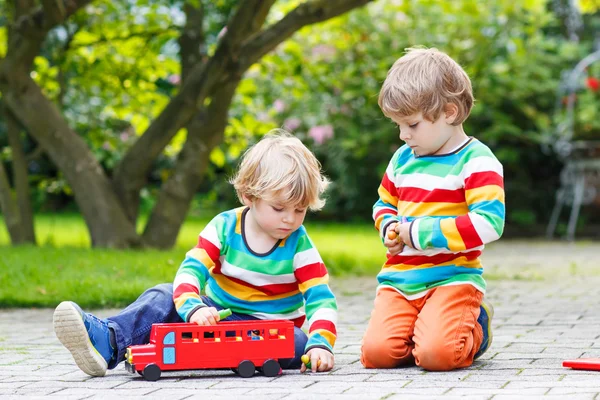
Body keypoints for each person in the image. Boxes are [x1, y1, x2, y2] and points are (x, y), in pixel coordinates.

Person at [53, 129, 338, 376]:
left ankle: (265, 351)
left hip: (269, 331)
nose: (290, 219)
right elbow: (191, 270)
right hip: (216, 316)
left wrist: (320, 343)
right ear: (249, 196)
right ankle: (109, 340)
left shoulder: (299, 244)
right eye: (279, 208)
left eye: (299, 210)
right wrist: (195, 307)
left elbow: (320, 297)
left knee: (299, 341)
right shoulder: (225, 228)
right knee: (163, 296)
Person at [360, 47, 505, 371]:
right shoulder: (402, 159)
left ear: (449, 112)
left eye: (411, 124)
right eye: (398, 125)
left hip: (452, 278)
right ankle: (428, 327)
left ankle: (475, 324)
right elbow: (384, 203)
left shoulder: (477, 161)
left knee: (438, 357)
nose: (403, 134)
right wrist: (388, 228)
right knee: (378, 355)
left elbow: (489, 223)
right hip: (401, 279)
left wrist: (417, 231)